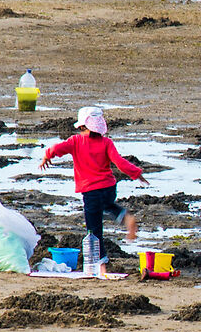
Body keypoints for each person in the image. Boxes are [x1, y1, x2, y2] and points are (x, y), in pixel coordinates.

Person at [39, 106, 144, 278]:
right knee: (109, 206)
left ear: (81, 127)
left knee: (94, 231)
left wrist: (47, 156)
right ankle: (125, 216)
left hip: (91, 191)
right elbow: (119, 162)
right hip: (109, 187)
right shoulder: (106, 143)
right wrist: (136, 173)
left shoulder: (75, 142)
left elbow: (57, 149)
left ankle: (101, 267)